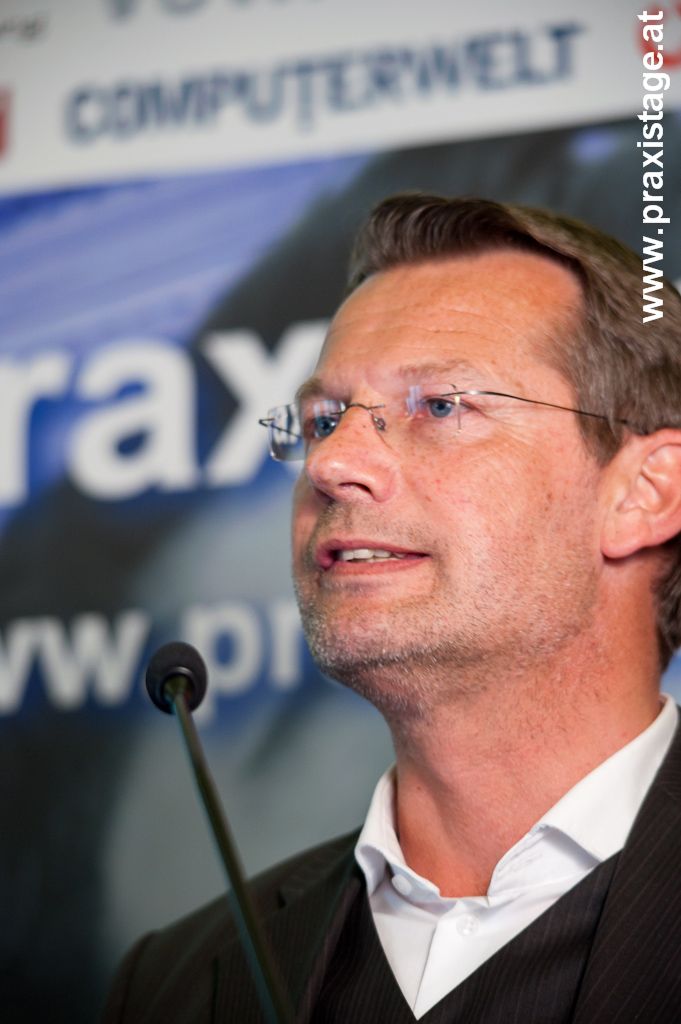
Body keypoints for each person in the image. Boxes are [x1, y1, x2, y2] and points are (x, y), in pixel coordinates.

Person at [102, 194, 681, 1022]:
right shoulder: (174, 985)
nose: (332, 463)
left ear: (644, 494)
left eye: (440, 405)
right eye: (322, 421)